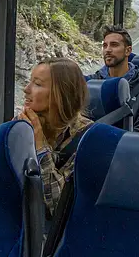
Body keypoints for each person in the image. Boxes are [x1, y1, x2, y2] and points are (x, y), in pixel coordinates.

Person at [17, 58, 92, 218]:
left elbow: (59, 207)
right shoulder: (22, 125)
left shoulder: (87, 138)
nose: (26, 89)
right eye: (29, 82)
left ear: (61, 94)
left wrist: (39, 147)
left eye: (37, 84)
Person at [87, 26, 139, 132]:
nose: (108, 50)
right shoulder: (92, 84)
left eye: (114, 45)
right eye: (105, 45)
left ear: (128, 51)